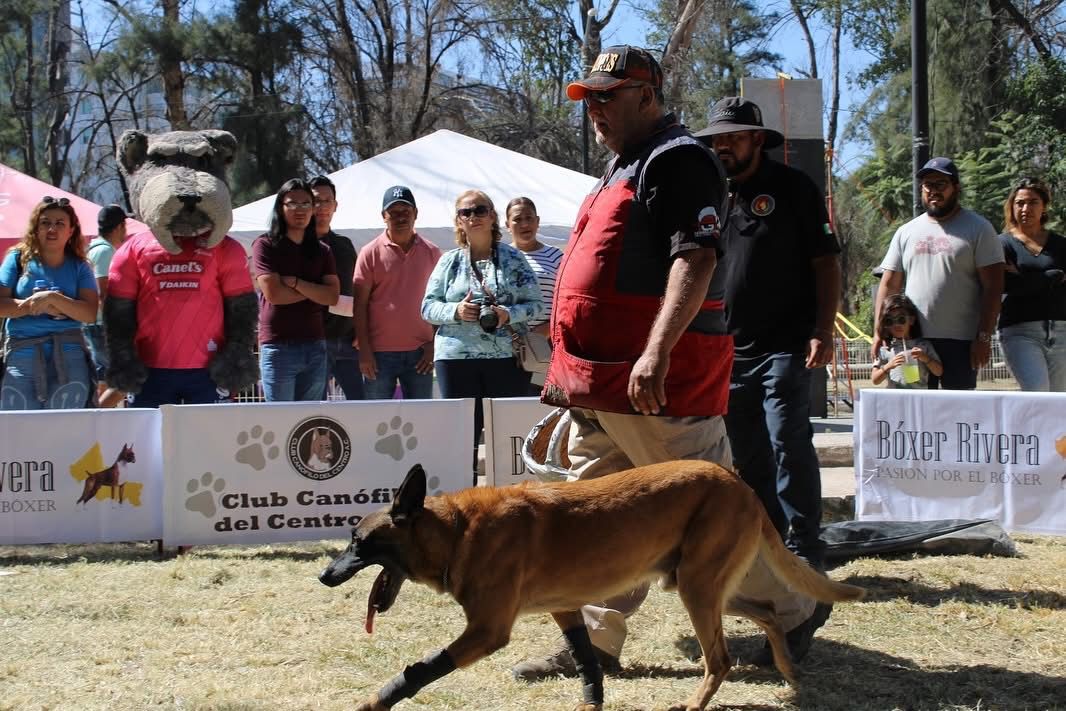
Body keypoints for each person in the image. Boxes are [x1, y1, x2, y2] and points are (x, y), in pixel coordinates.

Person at [515, 48, 806, 681]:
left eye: (607, 95)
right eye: (589, 96)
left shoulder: (678, 160)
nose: (593, 107)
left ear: (647, 96)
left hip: (656, 384)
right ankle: (593, 644)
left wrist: (655, 351)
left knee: (712, 509)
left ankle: (793, 606)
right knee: (598, 521)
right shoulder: (624, 165)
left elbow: (695, 259)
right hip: (603, 383)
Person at [695, 95, 842, 665]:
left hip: (785, 344)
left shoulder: (795, 190)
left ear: (759, 139)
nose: (723, 146)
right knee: (748, 461)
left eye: (733, 137)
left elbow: (826, 263)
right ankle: (773, 556)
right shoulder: (708, 194)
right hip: (726, 353)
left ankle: (808, 553)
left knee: (789, 443)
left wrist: (822, 330)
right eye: (717, 139)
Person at [421, 190, 543, 481]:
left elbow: (536, 304)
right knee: (461, 436)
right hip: (455, 359)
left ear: (492, 217)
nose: (473, 216)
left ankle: (509, 501)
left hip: (505, 359)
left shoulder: (514, 259)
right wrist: (456, 311)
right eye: (466, 212)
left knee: (506, 434)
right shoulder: (449, 262)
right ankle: (462, 499)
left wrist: (506, 314)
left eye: (480, 210)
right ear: (458, 221)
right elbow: (427, 307)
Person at [874, 157, 1005, 390]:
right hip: (913, 340)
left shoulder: (979, 228)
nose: (933, 191)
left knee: (958, 411)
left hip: (961, 341)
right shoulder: (906, 232)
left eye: (940, 184)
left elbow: (993, 288)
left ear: (956, 187)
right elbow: (890, 284)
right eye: (927, 185)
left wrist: (983, 337)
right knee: (915, 411)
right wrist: (877, 331)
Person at [0, 196, 98, 410]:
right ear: (36, 228)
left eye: (60, 223)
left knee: (67, 430)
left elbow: (90, 313)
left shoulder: (81, 267)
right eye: (45, 222)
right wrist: (35, 303)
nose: (52, 228)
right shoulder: (17, 259)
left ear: (71, 231)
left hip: (70, 354)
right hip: (22, 352)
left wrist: (54, 299)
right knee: (18, 426)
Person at [252, 178, 339, 401]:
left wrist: (297, 283)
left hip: (316, 347)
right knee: (280, 423)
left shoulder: (323, 250)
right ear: (280, 208)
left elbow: (332, 296)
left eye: (306, 204)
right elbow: (275, 295)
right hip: (278, 347)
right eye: (292, 203)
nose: (299, 210)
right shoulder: (264, 245)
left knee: (308, 423)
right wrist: (315, 292)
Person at [354, 186, 442, 400]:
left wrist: (434, 346)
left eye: (406, 211)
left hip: (421, 354)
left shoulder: (433, 253)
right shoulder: (369, 253)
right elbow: (360, 305)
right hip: (378, 355)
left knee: (421, 420)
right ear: (384, 216)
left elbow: (442, 304)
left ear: (416, 214)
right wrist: (364, 350)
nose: (401, 217)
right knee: (376, 420)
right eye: (394, 212)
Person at [997, 177, 1066, 391]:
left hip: (1063, 331)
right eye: (1020, 203)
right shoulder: (1002, 244)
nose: (1026, 208)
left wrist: (1025, 278)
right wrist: (1055, 275)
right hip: (1020, 331)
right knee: (1037, 393)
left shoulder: (1061, 244)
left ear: (1044, 206)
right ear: (1012, 206)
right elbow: (1009, 285)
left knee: (1059, 404)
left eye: (1033, 202)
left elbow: (1022, 284)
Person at [311, 175, 363, 400]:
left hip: (348, 342)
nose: (322, 206)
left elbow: (358, 290)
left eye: (327, 200)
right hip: (314, 342)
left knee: (362, 406)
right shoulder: (296, 246)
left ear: (335, 205)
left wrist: (362, 331)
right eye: (316, 200)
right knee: (316, 411)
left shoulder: (344, 245)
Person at [504, 197, 562, 392]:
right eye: (517, 219)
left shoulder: (556, 257)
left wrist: (546, 329)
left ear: (538, 221)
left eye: (529, 218)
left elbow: (566, 302)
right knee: (509, 408)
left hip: (546, 345)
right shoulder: (499, 257)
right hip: (507, 346)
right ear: (507, 225)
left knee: (541, 405)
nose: (524, 224)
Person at [84, 204, 130, 407]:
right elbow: (104, 293)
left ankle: (97, 421)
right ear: (120, 226)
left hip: (95, 323)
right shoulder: (104, 251)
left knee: (103, 382)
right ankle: (95, 418)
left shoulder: (95, 249)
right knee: (127, 379)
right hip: (103, 325)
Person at [871, 293, 943, 388]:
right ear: (885, 325)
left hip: (918, 398)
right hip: (895, 399)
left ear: (911, 320)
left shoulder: (923, 346)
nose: (896, 325)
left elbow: (939, 372)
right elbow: (875, 380)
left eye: (901, 319)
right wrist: (889, 366)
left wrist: (925, 358)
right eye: (889, 321)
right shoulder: (885, 349)